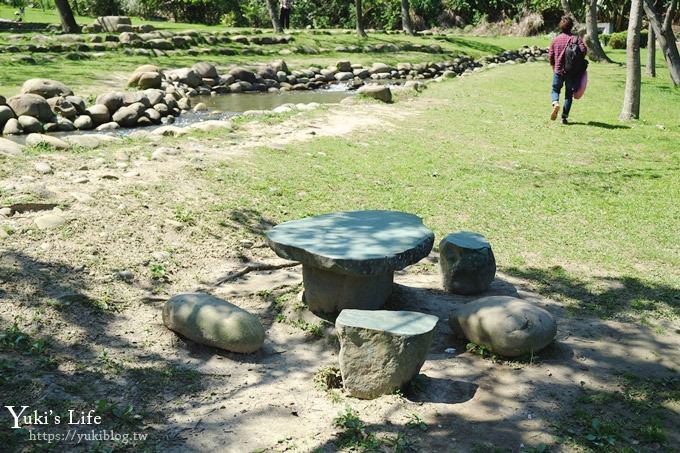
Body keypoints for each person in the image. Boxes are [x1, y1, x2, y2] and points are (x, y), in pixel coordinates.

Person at [548, 16, 587, 124]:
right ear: (571, 27)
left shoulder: (555, 40)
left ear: (561, 26)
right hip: (571, 72)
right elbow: (584, 51)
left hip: (558, 71)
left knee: (555, 90)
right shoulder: (576, 39)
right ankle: (564, 118)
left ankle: (555, 103)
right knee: (568, 95)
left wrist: (554, 67)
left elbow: (551, 57)